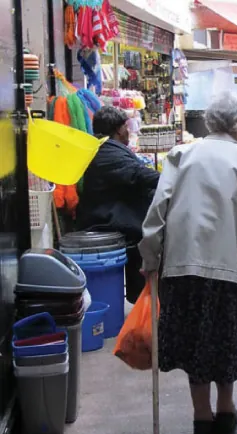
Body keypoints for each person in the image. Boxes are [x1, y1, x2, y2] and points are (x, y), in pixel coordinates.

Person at [139, 91, 237, 434]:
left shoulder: (181, 154)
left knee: (193, 342)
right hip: (225, 268)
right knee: (224, 340)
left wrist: (150, 258)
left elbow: (157, 210)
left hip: (181, 265)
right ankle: (225, 409)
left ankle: (201, 418)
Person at [76, 105, 160, 304]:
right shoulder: (108, 153)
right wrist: (172, 178)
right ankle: (141, 298)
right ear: (119, 129)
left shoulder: (104, 148)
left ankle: (140, 296)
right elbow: (138, 174)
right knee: (149, 238)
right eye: (126, 127)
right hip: (106, 220)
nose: (128, 131)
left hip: (109, 214)